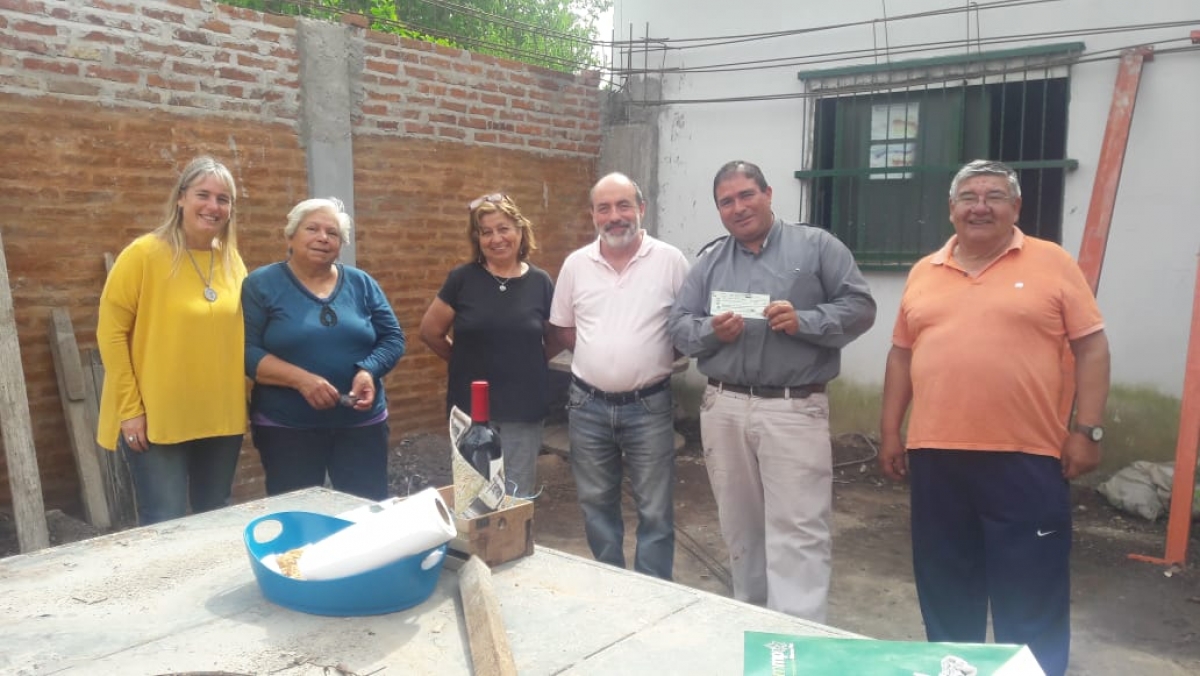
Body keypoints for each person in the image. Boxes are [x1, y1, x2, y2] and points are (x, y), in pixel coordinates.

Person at [879, 160, 1110, 676]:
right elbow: (901, 355)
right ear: (951, 209)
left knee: (1030, 594)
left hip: (1025, 459)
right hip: (936, 457)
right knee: (945, 590)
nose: (980, 206)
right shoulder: (924, 271)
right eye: (968, 196)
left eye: (995, 196)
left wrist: (1087, 429)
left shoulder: (1052, 262)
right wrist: (891, 432)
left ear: (1016, 207)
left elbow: (1092, 348)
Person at [668, 160, 876, 622]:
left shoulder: (817, 246)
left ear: (768, 193)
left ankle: (797, 644)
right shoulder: (710, 261)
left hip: (792, 407)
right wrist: (710, 332)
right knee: (740, 525)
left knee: (798, 527)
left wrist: (807, 321)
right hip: (723, 405)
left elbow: (861, 308)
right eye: (727, 201)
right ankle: (754, 625)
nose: (738, 207)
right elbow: (680, 327)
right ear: (719, 210)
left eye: (747, 195)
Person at [549, 172, 689, 580]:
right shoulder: (576, 264)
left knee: (656, 507)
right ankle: (611, 587)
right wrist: (600, 358)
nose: (615, 216)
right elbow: (564, 328)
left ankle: (653, 592)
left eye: (624, 205)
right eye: (604, 208)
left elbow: (686, 327)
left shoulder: (670, 261)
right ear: (592, 215)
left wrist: (648, 356)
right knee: (595, 503)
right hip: (586, 405)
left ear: (641, 209)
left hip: (649, 405)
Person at [96, 155, 249, 526]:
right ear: (181, 198)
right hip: (156, 417)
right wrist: (130, 409)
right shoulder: (143, 255)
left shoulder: (232, 261)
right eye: (204, 195)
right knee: (165, 520)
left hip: (220, 416)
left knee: (214, 513)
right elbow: (110, 333)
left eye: (223, 199)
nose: (213, 206)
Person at [242, 197, 405, 501]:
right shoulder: (261, 284)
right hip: (287, 428)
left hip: (361, 425)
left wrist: (368, 371)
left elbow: (393, 338)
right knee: (298, 515)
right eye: (312, 229)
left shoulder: (361, 283)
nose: (322, 238)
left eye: (332, 233)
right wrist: (302, 380)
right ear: (290, 236)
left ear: (340, 243)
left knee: (365, 513)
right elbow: (247, 352)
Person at [418, 193, 557, 498]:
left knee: (516, 495)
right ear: (477, 238)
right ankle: (476, 547)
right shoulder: (462, 279)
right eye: (486, 232)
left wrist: (529, 361)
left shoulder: (540, 282)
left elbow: (556, 335)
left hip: (523, 406)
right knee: (475, 496)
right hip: (472, 407)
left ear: (520, 231)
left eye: (504, 228)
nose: (496, 238)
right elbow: (430, 332)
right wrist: (462, 360)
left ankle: (513, 546)